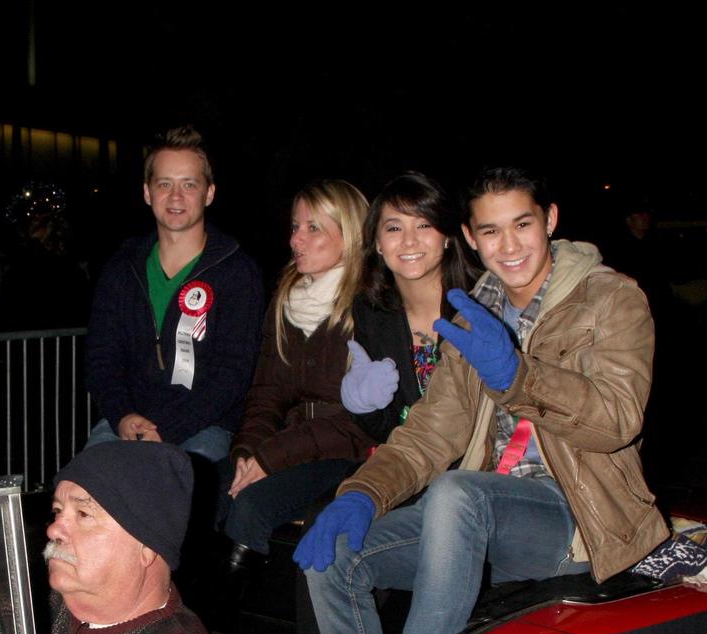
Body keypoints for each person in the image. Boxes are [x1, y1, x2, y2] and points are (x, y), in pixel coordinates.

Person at [298, 167, 668, 634]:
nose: (509, 245)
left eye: (522, 225)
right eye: (491, 231)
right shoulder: (474, 314)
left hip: (579, 519)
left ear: (550, 220)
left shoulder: (610, 298)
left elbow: (617, 420)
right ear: (470, 238)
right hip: (483, 516)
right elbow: (432, 431)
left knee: (457, 491)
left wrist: (519, 377)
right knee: (338, 553)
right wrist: (363, 493)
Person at [83, 125, 263, 462]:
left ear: (209, 193)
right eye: (164, 184)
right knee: (80, 492)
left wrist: (167, 427)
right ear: (147, 193)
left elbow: (234, 373)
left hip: (203, 428)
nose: (176, 197)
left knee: (176, 496)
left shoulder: (237, 272)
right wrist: (122, 415)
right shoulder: (121, 269)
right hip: (126, 423)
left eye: (189, 185)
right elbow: (101, 358)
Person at [45, 440, 247, 634]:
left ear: (147, 547)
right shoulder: (19, 608)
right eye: (57, 511)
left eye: (84, 514)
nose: (53, 529)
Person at [223, 179, 373, 568]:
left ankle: (235, 610)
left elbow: (357, 420)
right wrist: (247, 451)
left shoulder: (369, 308)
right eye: (295, 227)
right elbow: (266, 392)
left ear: (350, 235)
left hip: (348, 451)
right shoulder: (287, 300)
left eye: (313, 228)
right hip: (289, 444)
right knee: (212, 486)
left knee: (250, 506)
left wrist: (269, 458)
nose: (295, 240)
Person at [342, 172, 479, 443]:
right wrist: (361, 406)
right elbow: (387, 432)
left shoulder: (482, 302)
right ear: (378, 243)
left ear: (447, 236)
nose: (409, 240)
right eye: (394, 228)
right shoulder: (370, 311)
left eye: (424, 225)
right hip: (410, 465)